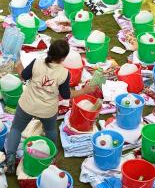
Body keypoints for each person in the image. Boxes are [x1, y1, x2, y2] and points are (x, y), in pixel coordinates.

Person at [5, 39, 96, 174]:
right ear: (63, 58)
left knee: (16, 128)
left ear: (49, 51)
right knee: (50, 131)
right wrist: (84, 91)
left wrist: (17, 58)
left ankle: (10, 158)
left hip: (27, 104)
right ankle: (50, 157)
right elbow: (65, 95)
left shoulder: (37, 62)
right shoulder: (64, 73)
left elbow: (23, 75)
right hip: (47, 110)